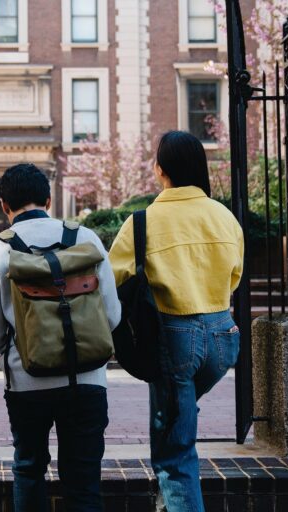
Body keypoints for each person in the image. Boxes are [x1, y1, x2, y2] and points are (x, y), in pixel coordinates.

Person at [109, 131, 244, 512]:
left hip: (174, 337)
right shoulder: (224, 217)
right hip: (223, 336)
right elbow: (235, 275)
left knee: (175, 453)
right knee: (177, 418)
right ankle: (169, 502)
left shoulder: (143, 222)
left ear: (160, 170)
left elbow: (113, 281)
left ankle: (176, 497)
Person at [0, 163, 121, 512]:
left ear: (4, 206)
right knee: (84, 480)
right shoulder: (86, 239)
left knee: (29, 469)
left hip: (27, 383)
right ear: (49, 199)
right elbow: (112, 317)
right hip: (87, 379)